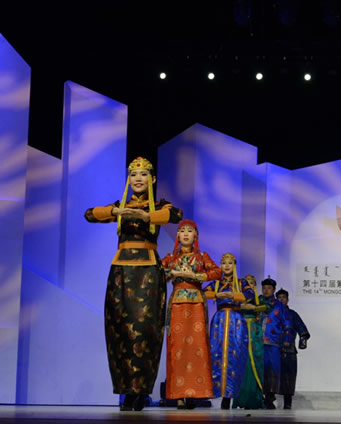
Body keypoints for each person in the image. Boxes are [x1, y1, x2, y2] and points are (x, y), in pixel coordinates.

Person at [84, 157, 183, 411]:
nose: (138, 178)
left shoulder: (158, 205)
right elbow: (89, 214)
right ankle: (126, 391)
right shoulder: (121, 205)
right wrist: (116, 212)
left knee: (145, 330)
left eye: (143, 174)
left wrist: (146, 215)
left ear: (152, 179)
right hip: (121, 271)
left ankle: (141, 391)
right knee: (119, 329)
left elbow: (176, 214)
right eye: (134, 174)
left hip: (148, 272)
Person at [161, 220, 221, 409]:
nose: (186, 234)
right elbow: (158, 271)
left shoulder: (202, 257)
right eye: (182, 231)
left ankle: (194, 393)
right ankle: (178, 395)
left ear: (196, 235)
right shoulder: (171, 257)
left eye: (190, 231)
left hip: (196, 307)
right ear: (177, 235)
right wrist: (173, 272)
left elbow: (217, 272)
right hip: (177, 306)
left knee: (197, 349)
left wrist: (195, 276)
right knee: (177, 349)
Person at [204, 253, 254, 409]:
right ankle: (218, 391)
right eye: (224, 263)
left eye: (230, 263)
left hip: (236, 320)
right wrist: (217, 294)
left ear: (235, 265)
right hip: (219, 320)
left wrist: (233, 295)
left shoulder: (241, 282)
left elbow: (250, 294)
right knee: (217, 353)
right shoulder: (217, 283)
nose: (226, 266)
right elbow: (203, 293)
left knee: (235, 355)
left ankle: (229, 395)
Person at [232, 275, 269, 410]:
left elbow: (267, 307)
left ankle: (255, 398)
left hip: (254, 331)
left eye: (252, 283)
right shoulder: (238, 298)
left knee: (256, 363)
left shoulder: (259, 299)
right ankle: (240, 398)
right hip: (241, 329)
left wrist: (253, 308)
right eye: (247, 283)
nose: (250, 286)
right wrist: (242, 306)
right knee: (241, 363)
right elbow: (233, 307)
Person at [259, 276, 291, 409]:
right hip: (257, 342)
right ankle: (258, 397)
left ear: (273, 290)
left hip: (273, 342)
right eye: (264, 288)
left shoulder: (279, 306)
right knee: (259, 369)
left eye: (269, 288)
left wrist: (287, 340)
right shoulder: (257, 302)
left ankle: (270, 397)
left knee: (272, 371)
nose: (266, 290)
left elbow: (287, 323)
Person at [276, 288, 310, 410]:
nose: (282, 300)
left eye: (284, 297)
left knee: (289, 377)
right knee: (271, 377)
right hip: (273, 350)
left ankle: (287, 403)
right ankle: (269, 401)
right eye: (279, 297)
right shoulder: (272, 314)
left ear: (287, 299)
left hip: (289, 350)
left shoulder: (292, 314)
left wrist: (303, 339)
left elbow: (302, 328)